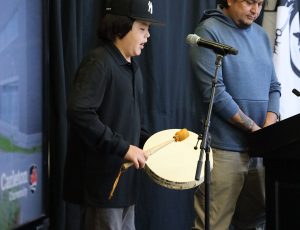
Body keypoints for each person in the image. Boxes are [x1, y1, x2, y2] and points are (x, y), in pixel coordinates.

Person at [63, 0, 163, 229]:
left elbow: (130, 123)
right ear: (120, 26)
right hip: (101, 188)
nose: (148, 35)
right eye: (142, 28)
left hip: (125, 190)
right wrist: (125, 148)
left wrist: (157, 143)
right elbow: (79, 112)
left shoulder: (132, 69)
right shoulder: (98, 62)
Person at [188, 0, 281, 229]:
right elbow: (215, 94)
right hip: (223, 151)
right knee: (213, 224)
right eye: (250, 2)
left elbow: (274, 87)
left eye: (260, 3)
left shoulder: (261, 35)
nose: (255, 10)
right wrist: (256, 131)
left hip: (259, 152)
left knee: (256, 221)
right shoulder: (209, 30)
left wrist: (268, 128)